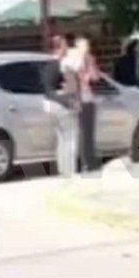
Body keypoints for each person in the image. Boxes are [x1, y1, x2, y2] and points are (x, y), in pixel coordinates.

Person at [62, 34, 102, 171]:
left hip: (88, 98)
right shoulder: (71, 60)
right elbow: (71, 81)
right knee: (80, 133)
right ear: (78, 47)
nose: (86, 48)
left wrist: (90, 64)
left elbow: (96, 77)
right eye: (84, 46)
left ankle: (89, 161)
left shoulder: (89, 59)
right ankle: (82, 163)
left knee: (88, 133)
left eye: (87, 46)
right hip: (78, 100)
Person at [49, 34, 79, 177]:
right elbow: (72, 86)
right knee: (71, 138)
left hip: (50, 105)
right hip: (64, 104)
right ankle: (70, 171)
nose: (67, 48)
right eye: (65, 45)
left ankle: (62, 169)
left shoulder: (48, 64)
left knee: (60, 138)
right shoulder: (65, 64)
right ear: (60, 47)